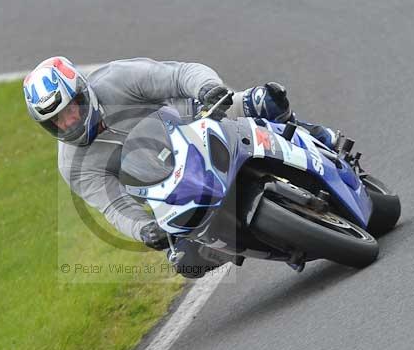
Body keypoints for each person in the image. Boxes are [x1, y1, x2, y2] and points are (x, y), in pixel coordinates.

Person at [24, 56, 336, 278]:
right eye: (57, 121)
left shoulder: (117, 78)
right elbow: (113, 206)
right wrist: (144, 229)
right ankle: (273, 243)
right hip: (176, 190)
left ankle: (317, 137)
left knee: (267, 99)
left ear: (83, 91)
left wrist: (207, 88)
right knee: (188, 262)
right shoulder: (72, 165)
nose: (69, 122)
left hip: (203, 123)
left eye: (72, 109)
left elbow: (179, 74)